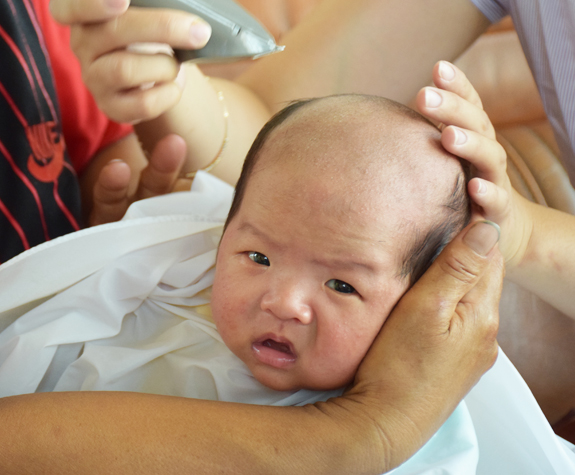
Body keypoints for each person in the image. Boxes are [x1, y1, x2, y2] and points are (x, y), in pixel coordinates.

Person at [0, 66, 506, 473]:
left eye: (341, 285)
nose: (283, 302)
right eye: (258, 258)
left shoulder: (419, 413)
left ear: (414, 304)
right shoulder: (161, 305)